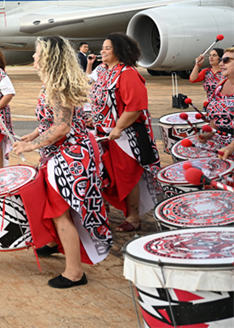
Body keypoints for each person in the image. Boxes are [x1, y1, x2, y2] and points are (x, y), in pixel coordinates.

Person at [13, 36, 112, 288]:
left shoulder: (57, 87)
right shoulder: (54, 83)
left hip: (69, 157)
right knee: (57, 210)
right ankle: (54, 244)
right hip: (63, 155)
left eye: (37, 52)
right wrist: (34, 134)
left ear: (48, 57)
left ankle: (74, 272)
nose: (33, 56)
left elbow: (62, 127)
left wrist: (31, 145)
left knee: (59, 213)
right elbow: (52, 121)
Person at [90, 32, 160, 232]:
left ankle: (133, 217)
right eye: (103, 48)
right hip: (104, 133)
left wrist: (118, 127)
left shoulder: (127, 73)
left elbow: (135, 107)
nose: (102, 51)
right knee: (107, 174)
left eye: (107, 48)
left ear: (119, 51)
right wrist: (95, 118)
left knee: (127, 176)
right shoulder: (103, 71)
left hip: (125, 136)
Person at [199, 47, 234, 152]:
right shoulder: (220, 85)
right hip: (221, 148)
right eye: (221, 60)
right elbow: (216, 117)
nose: (221, 63)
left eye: (226, 60)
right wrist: (210, 134)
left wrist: (230, 148)